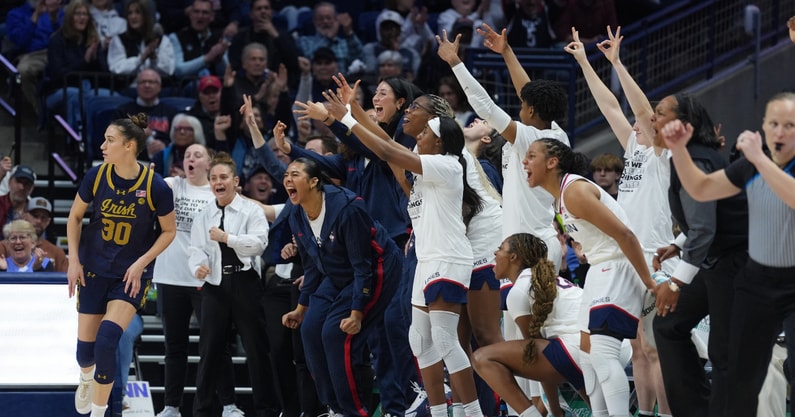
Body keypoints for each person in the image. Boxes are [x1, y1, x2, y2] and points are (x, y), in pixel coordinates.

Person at [328, 88, 486, 417]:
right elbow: (389, 153)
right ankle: (441, 412)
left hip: (448, 257)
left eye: (428, 131)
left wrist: (346, 118)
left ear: (440, 141)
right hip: (426, 257)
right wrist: (355, 110)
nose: (421, 133)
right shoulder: (420, 166)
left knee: (445, 339)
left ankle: (471, 412)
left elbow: (388, 150)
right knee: (418, 339)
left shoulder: (446, 165)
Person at [659, 92, 795, 417]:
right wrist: (678, 149)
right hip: (757, 274)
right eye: (773, 123)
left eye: (789, 125)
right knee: (732, 361)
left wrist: (760, 160)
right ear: (762, 125)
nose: (779, 132)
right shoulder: (749, 163)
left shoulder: (757, 162)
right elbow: (703, 189)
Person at [564, 25, 673, 417]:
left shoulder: (664, 155)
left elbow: (640, 109)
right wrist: (585, 62)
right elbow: (612, 106)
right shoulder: (633, 147)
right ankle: (644, 413)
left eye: (650, 120)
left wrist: (619, 63)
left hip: (657, 257)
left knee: (657, 349)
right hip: (628, 257)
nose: (639, 121)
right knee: (639, 346)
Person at [524, 137, 657, 417]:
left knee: (602, 353)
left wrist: (649, 282)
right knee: (587, 355)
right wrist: (584, 248)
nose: (524, 161)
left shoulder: (574, 190)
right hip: (600, 267)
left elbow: (625, 234)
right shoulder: (558, 200)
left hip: (619, 265)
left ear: (552, 162)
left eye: (531, 155)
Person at [68, 113, 176, 417]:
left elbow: (169, 231)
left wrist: (142, 262)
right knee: (84, 354)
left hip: (129, 276)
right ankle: (86, 377)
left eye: (109, 140)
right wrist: (73, 260)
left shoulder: (156, 186)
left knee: (107, 340)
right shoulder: (96, 176)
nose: (103, 145)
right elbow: (75, 217)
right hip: (92, 269)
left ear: (129, 146)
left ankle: (99, 413)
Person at [280, 154, 401, 417]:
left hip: (377, 268)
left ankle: (354, 411)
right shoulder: (296, 215)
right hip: (337, 275)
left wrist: (357, 312)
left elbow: (362, 266)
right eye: (286, 175)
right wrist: (301, 309)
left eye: (295, 175)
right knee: (310, 331)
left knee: (334, 334)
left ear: (313, 182)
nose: (288, 179)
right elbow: (312, 266)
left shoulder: (347, 208)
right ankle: (333, 407)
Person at [652, 95, 748, 417]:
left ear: (685, 124)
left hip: (740, 264)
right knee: (668, 325)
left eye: (661, 114)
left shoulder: (698, 160)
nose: (653, 120)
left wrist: (676, 283)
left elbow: (705, 227)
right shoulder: (687, 157)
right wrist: (680, 242)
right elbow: (705, 219)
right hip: (716, 261)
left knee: (724, 354)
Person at [152, 143, 242, 417]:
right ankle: (171, 406)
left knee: (216, 344)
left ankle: (229, 405)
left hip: (208, 279)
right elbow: (147, 185)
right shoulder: (171, 185)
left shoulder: (217, 192)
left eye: (197, 155)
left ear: (209, 163)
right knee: (174, 346)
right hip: (170, 276)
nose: (190, 158)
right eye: (187, 155)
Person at [187, 152, 277, 417]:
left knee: (257, 349)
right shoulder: (204, 214)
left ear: (236, 181)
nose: (218, 182)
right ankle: (201, 410)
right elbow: (195, 248)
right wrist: (198, 266)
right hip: (215, 285)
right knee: (210, 351)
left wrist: (227, 238)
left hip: (246, 282)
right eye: (213, 178)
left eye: (223, 177)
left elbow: (259, 245)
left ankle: (266, 410)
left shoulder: (251, 210)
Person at [473, 233, 584, 417]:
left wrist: (555, 412)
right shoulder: (545, 279)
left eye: (500, 248)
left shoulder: (518, 292)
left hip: (576, 351)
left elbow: (535, 355)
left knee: (482, 358)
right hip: (602, 349)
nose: (495, 252)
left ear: (513, 257)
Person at [44, 0, 111, 130]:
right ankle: (76, 142)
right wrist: (84, 62)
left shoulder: (92, 41)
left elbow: (105, 76)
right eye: (77, 14)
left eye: (85, 14)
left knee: (115, 98)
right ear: (69, 17)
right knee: (77, 96)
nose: (82, 18)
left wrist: (96, 59)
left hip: (90, 89)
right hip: (59, 91)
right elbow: (58, 75)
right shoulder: (57, 40)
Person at [114, 69, 180, 160]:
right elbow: (116, 139)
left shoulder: (171, 112)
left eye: (151, 82)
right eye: (143, 82)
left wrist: (165, 145)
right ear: (137, 86)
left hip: (163, 159)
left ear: (159, 87)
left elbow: (178, 139)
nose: (147, 85)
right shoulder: (123, 111)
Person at [106, 0, 174, 80]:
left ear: (146, 15)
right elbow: (116, 68)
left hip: (156, 87)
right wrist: (141, 59)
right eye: (130, 13)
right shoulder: (119, 40)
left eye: (137, 12)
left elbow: (169, 70)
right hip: (129, 88)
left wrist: (154, 59)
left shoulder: (161, 40)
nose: (133, 17)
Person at [0, 196, 69, 272]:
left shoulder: (55, 254)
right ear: (24, 216)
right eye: (35, 216)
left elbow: (63, 281)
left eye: (43, 217)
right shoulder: (2, 247)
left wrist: (39, 269)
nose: (39, 221)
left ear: (33, 243)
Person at [168, 0, 228, 80]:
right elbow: (178, 70)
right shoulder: (176, 37)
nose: (200, 16)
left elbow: (226, 73)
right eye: (196, 12)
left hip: (216, 86)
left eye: (205, 13)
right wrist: (206, 58)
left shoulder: (219, 38)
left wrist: (219, 60)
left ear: (212, 17)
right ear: (190, 14)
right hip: (188, 87)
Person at [296, 2, 363, 73]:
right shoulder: (304, 41)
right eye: (321, 19)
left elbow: (360, 59)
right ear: (314, 22)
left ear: (336, 20)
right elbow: (310, 59)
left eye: (329, 18)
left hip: (343, 82)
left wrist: (349, 32)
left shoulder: (345, 43)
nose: (325, 21)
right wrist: (328, 39)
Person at [0, 165, 37, 229]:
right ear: (9, 182)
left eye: (27, 183)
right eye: (18, 181)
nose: (21, 187)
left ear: (32, 188)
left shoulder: (35, 211)